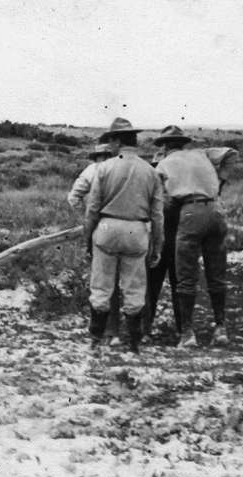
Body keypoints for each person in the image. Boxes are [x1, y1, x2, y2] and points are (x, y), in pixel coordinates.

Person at [83, 118, 165, 353]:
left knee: (101, 287)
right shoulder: (150, 171)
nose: (109, 145)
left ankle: (96, 340)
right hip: (137, 230)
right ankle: (135, 344)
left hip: (107, 229)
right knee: (134, 288)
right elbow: (158, 215)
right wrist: (157, 245)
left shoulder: (104, 168)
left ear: (118, 141)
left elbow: (92, 209)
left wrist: (88, 238)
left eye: (111, 140)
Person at [153, 125, 239, 348]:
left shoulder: (163, 164)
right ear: (183, 142)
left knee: (185, 275)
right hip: (216, 210)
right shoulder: (202, 154)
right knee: (217, 273)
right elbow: (231, 153)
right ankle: (221, 328)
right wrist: (220, 182)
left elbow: (164, 200)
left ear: (163, 146)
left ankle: (187, 334)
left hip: (190, 212)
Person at [68, 142, 122, 344]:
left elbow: (73, 197)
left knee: (102, 280)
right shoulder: (119, 170)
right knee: (125, 280)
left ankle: (103, 329)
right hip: (125, 226)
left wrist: (86, 216)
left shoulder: (91, 171)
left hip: (99, 228)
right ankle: (120, 329)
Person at [66, 142, 115, 209]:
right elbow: (74, 196)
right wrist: (84, 212)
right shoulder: (91, 171)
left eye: (109, 156)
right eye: (103, 156)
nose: (107, 159)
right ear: (97, 158)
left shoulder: (119, 170)